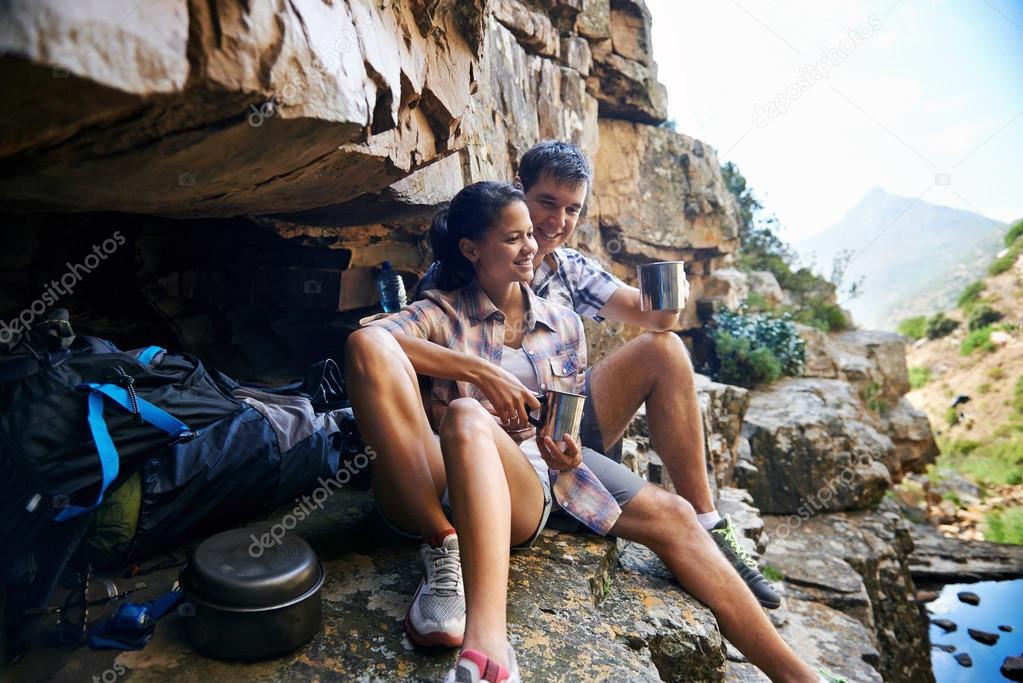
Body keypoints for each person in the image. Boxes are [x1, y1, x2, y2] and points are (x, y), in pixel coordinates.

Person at [346, 182, 838, 683]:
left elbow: (570, 423)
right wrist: (480, 374)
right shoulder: (442, 309)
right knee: (462, 412)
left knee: (675, 513)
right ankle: (484, 638)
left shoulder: (563, 323)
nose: (532, 244)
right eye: (514, 238)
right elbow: (371, 340)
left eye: (530, 236)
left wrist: (565, 449)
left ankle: (801, 677)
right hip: (444, 477)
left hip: (529, 477)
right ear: (472, 250)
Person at [417, 141, 780, 609]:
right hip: (493, 440)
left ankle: (709, 524)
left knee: (664, 350)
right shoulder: (456, 273)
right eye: (546, 202)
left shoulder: (569, 269)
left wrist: (673, 289)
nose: (557, 221)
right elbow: (422, 375)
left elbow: (655, 320)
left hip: (564, 423)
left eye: (572, 209)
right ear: (517, 189)